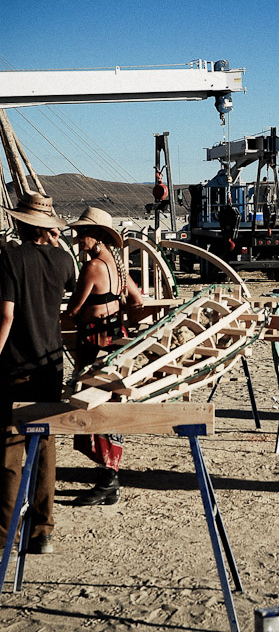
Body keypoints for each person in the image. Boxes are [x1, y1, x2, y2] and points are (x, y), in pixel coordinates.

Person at [0, 192, 76, 554]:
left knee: (11, 451)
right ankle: (40, 530)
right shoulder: (63, 261)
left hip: (16, 364)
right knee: (44, 444)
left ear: (20, 223)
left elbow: (6, 316)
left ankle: (5, 531)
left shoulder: (11, 258)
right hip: (50, 363)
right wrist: (56, 243)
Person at [66, 207, 142, 506]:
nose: (78, 237)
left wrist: (78, 317)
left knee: (92, 402)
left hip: (93, 340)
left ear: (95, 236)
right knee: (110, 401)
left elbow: (73, 309)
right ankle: (110, 473)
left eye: (82, 233)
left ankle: (107, 479)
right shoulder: (116, 266)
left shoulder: (93, 267)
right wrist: (116, 312)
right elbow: (136, 300)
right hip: (113, 337)